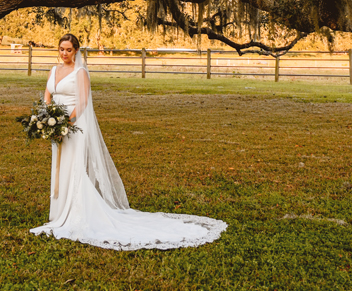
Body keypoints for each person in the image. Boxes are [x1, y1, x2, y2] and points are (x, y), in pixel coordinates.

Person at [30, 33, 227, 250]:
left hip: (73, 125)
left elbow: (84, 101)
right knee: (59, 167)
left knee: (73, 167)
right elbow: (48, 93)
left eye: (68, 49)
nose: (64, 53)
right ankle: (58, 212)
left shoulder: (80, 72)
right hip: (54, 124)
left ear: (76, 50)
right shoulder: (54, 70)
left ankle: (76, 213)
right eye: (61, 49)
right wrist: (45, 117)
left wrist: (65, 124)